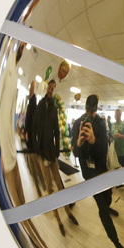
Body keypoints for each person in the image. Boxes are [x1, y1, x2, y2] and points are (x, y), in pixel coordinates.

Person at [71, 94, 124, 248]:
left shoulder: (100, 122)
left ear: (96, 109)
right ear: (85, 108)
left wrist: (93, 140)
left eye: (92, 111)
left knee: (108, 197)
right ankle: (116, 241)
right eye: (88, 110)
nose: (90, 115)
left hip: (102, 169)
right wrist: (78, 144)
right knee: (102, 206)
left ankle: (107, 207)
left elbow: (103, 151)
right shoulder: (78, 123)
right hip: (89, 172)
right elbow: (76, 153)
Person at [35, 79, 78, 234]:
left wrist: (56, 149)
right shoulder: (40, 106)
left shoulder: (53, 107)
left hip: (52, 153)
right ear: (45, 88)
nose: (51, 91)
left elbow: (56, 130)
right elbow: (35, 128)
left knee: (60, 185)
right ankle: (58, 220)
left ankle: (68, 212)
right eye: (49, 88)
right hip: (41, 153)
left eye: (53, 89)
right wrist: (37, 150)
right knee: (49, 188)